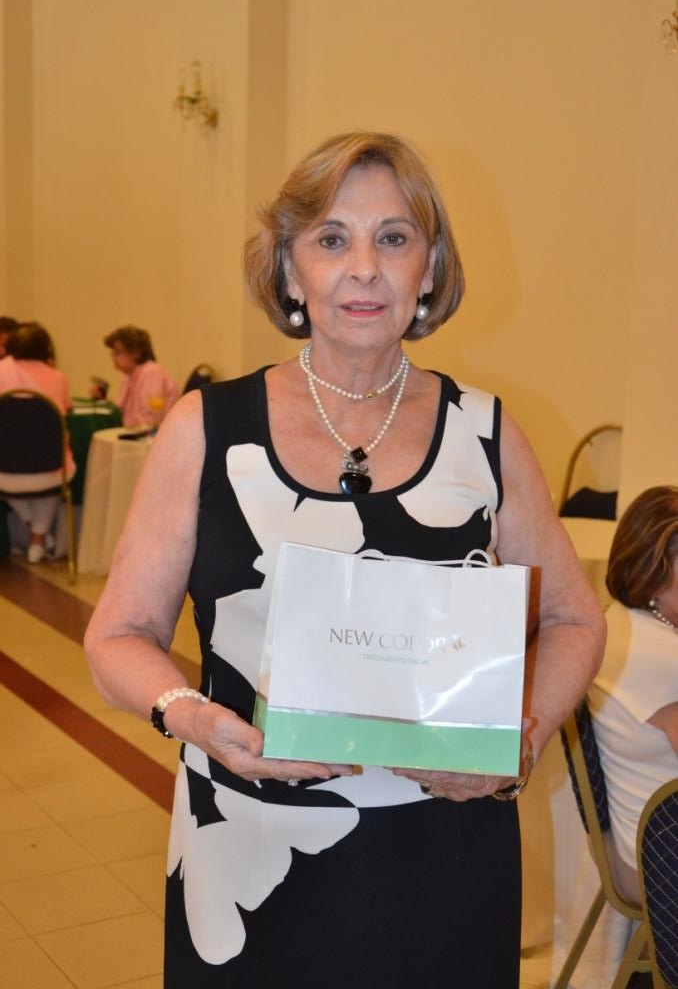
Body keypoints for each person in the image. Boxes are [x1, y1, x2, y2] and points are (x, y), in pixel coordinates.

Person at [84, 132, 605, 988]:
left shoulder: (486, 433)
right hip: (252, 852)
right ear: (290, 272)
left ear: (429, 270)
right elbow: (118, 635)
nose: (364, 268)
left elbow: (574, 617)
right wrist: (192, 717)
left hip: (445, 856)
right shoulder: (206, 428)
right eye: (332, 239)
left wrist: (523, 740)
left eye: (393, 238)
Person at [589, 485, 678, 903]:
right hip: (663, 863)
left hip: (644, 849)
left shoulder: (620, 624)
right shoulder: (658, 654)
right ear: (658, 568)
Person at [0, 322, 75, 563]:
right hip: (51, 470)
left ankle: (35, 532)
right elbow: (65, 413)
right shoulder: (58, 378)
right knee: (56, 476)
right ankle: (39, 536)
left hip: (4, 472)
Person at [103, 325, 179, 427]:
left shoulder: (152, 372)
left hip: (157, 433)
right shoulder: (129, 376)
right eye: (112, 352)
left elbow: (151, 419)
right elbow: (119, 412)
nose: (113, 357)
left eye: (117, 352)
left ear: (136, 353)